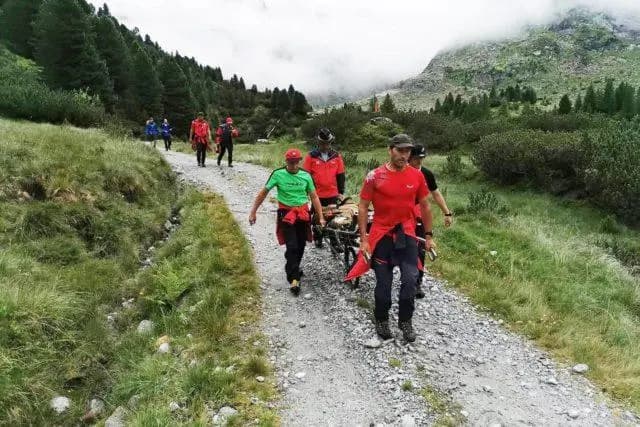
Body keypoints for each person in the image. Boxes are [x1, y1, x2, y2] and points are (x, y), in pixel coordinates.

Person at [345, 134, 435, 342]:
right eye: (400, 150)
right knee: (384, 283)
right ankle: (382, 318)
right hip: (382, 234)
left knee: (410, 279)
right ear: (390, 150)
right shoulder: (374, 176)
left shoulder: (417, 176)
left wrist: (429, 236)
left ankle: (405, 321)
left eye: (408, 151)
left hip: (407, 233)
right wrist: (364, 239)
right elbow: (363, 206)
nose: (404, 155)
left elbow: (425, 206)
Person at [249, 148, 326, 295]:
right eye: (291, 162)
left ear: (299, 161)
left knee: (301, 245)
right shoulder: (278, 174)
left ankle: (293, 266)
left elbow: (314, 197)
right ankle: (294, 280)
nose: (293, 165)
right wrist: (253, 212)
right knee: (291, 246)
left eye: (296, 162)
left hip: (303, 214)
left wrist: (321, 216)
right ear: (286, 161)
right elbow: (263, 193)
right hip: (286, 214)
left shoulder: (306, 176)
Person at [409, 144, 453, 299]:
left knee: (420, 247)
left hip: (419, 215)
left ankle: (416, 282)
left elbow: (436, 194)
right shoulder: (401, 172)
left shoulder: (427, 174)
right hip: (400, 213)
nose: (418, 162)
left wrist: (447, 212)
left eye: (421, 158)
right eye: (415, 158)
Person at [302, 128, 346, 248]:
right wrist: (308, 191)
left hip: (333, 193)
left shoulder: (336, 156)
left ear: (330, 142)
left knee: (333, 217)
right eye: (323, 143)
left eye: (327, 143)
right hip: (317, 194)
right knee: (317, 216)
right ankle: (318, 237)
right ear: (319, 143)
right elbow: (306, 175)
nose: (325, 146)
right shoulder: (311, 156)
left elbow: (341, 175)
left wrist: (341, 192)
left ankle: (333, 241)